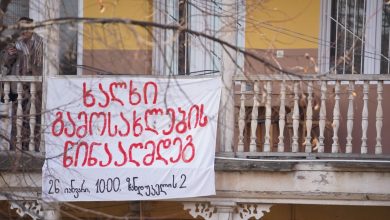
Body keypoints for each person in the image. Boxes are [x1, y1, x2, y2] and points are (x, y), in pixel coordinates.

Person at [0, 17, 43, 151]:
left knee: (33, 118)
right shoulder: (14, 42)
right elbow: (7, 63)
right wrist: (9, 53)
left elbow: (37, 63)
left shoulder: (39, 42)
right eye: (21, 28)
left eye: (26, 28)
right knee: (17, 119)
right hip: (18, 87)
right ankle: (16, 149)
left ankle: (34, 148)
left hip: (35, 87)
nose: (23, 31)